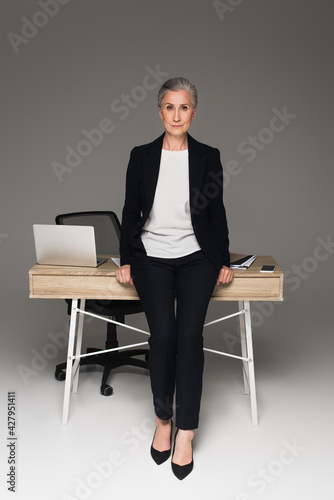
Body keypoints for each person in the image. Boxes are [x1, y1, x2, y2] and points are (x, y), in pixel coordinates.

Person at [115, 77, 233, 480]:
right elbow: (131, 210)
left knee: (189, 338)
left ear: (193, 113)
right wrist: (127, 259)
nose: (177, 114)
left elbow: (217, 212)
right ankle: (163, 419)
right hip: (151, 258)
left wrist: (222, 259)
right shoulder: (141, 155)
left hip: (197, 258)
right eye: (170, 107)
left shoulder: (208, 156)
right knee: (163, 336)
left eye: (184, 107)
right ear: (160, 111)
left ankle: (187, 429)